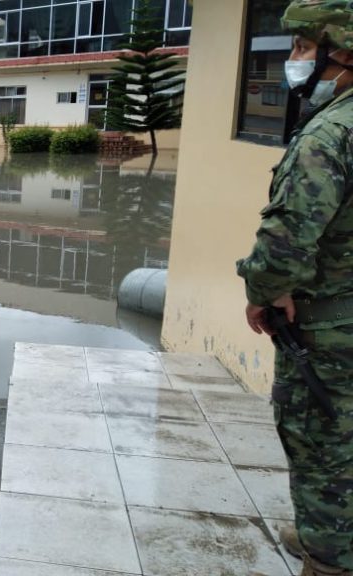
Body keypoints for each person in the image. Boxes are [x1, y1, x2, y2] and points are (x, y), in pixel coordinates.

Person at [237, 2, 353, 575]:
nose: (293, 61)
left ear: (343, 54)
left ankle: (328, 555)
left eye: (303, 49)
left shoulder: (329, 135)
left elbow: (285, 242)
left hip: (334, 333)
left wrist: (264, 289)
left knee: (324, 441)